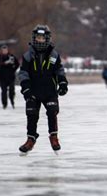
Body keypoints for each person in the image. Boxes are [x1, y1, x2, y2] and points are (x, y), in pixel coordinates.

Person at [17, 25, 69, 155]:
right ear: (34, 39)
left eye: (42, 38)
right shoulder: (28, 56)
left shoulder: (54, 55)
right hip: (33, 91)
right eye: (38, 38)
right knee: (31, 114)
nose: (40, 40)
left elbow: (59, 70)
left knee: (52, 112)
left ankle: (54, 137)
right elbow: (23, 73)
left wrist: (62, 82)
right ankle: (31, 139)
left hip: (49, 91)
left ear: (47, 39)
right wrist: (26, 89)